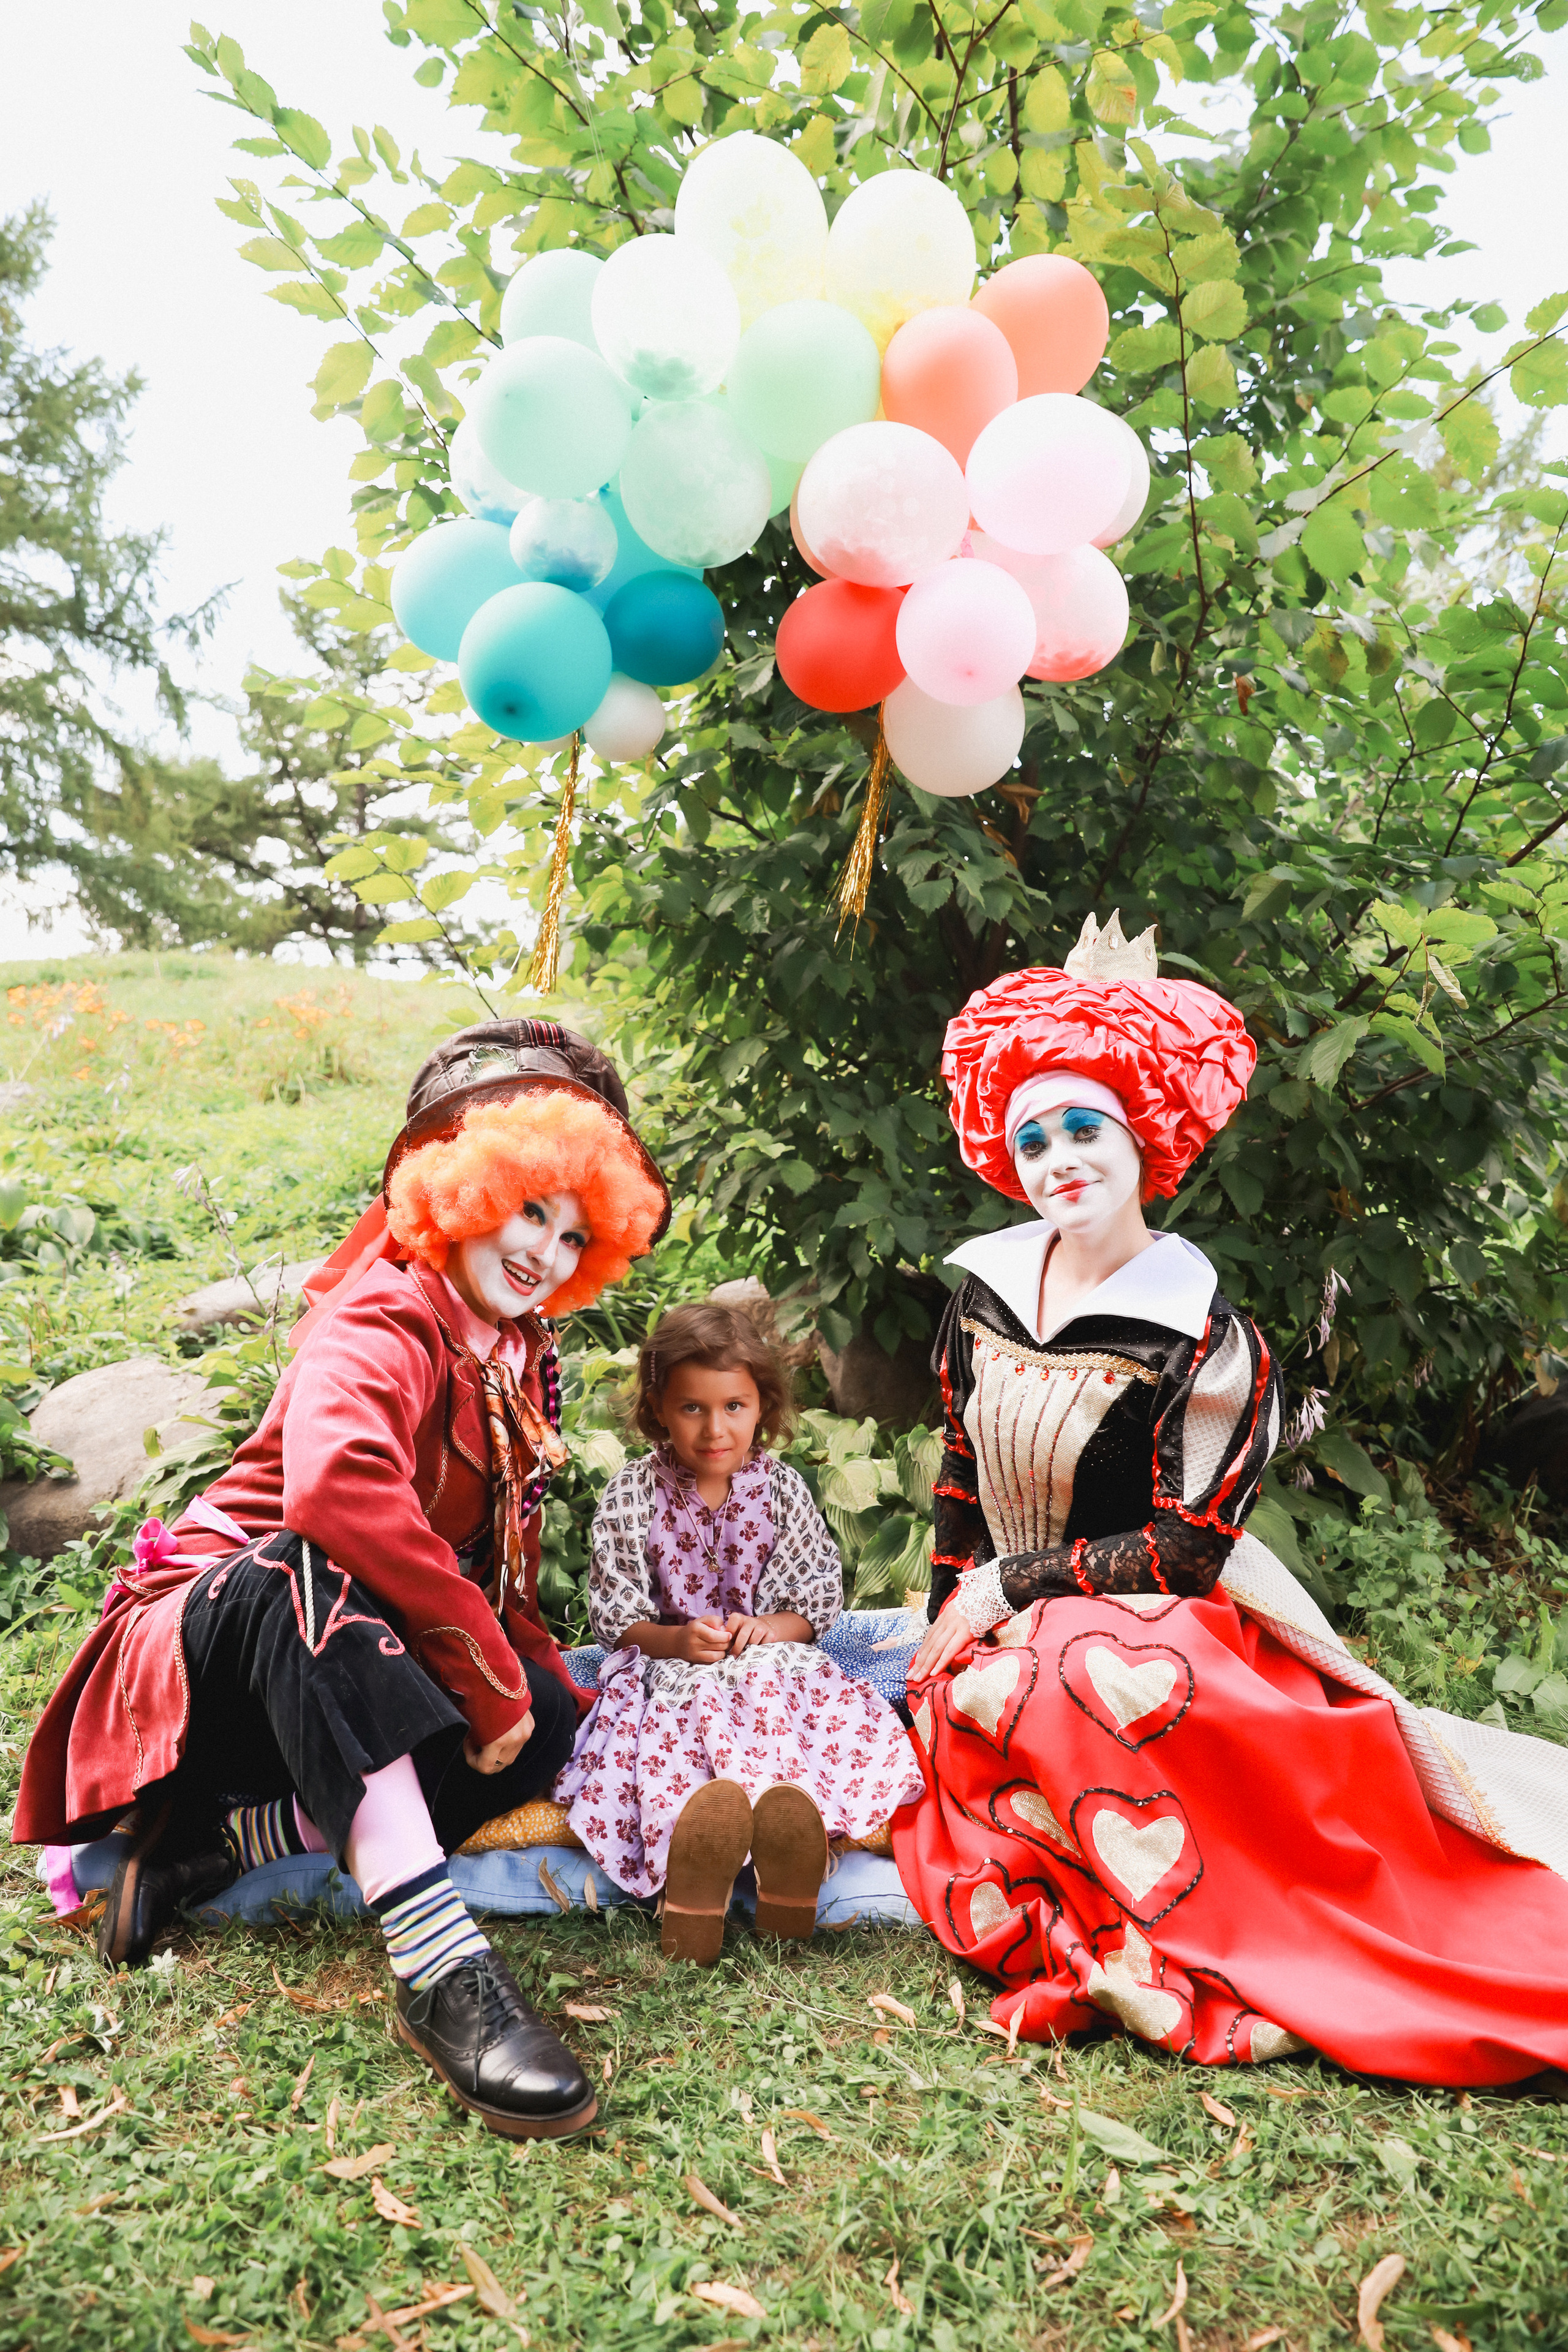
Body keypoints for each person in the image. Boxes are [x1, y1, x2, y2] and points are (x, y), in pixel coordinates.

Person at [891, 912, 1568, 2084]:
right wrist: (950, 1600)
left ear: (1142, 1138)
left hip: (1160, 1604)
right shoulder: (983, 1295)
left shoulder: (1207, 1333)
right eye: (1036, 1136)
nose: (1063, 1160)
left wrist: (1009, 1587)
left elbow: (1190, 1549)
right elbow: (961, 1469)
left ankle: (1240, 1920)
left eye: (1086, 1128)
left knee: (1063, 1678)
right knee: (965, 1686)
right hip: (1011, 1609)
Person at [13, 1020, 669, 2139]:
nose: (544, 1256)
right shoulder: (384, 1310)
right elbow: (336, 1494)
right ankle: (439, 1969)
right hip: (214, 1648)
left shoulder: (515, 1355)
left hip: (335, 1672)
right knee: (310, 1576)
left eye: (573, 1234)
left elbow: (496, 1567)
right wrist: (479, 1669)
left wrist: (526, 1690)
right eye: (527, 1210)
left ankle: (219, 1844)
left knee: (553, 1711)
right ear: (463, 1190)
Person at [554, 1301, 922, 1959]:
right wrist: (673, 1641)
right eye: (691, 1408)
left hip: (764, 1655)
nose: (713, 1428)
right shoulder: (633, 1492)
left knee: (786, 1694)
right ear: (658, 1410)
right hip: (669, 1666)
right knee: (668, 1727)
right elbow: (615, 1614)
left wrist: (770, 1629)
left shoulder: (780, 1489)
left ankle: (790, 1853)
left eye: (733, 1406)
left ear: (763, 1407)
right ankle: (691, 1872)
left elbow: (813, 1599)